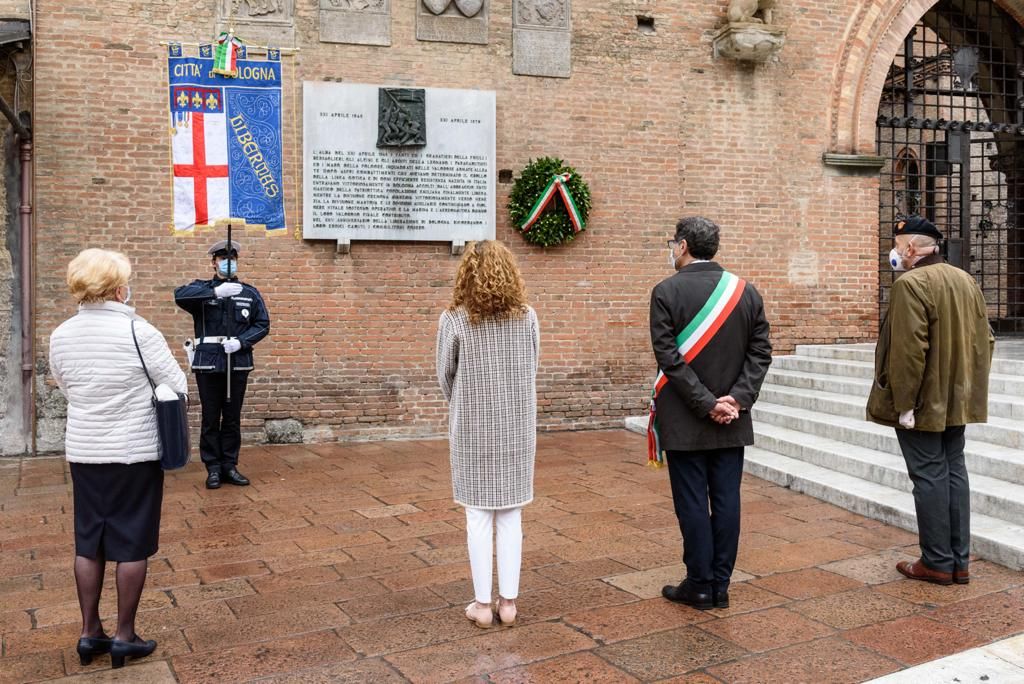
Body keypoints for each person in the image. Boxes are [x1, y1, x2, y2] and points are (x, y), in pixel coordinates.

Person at [49, 248, 187, 668]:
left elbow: (65, 386)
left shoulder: (61, 334)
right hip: (133, 452)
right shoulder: (138, 332)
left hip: (86, 451)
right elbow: (176, 383)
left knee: (88, 540)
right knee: (131, 543)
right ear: (117, 287)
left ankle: (90, 633)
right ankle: (125, 636)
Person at [649, 216, 772, 610]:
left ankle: (699, 585)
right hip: (731, 420)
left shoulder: (665, 291)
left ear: (683, 245)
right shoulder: (745, 292)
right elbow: (761, 353)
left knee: (691, 502)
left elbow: (669, 359)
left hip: (686, 419)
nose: (671, 249)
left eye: (672, 243)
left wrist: (707, 403)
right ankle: (721, 585)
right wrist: (736, 400)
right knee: (727, 500)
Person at [868, 216, 993, 586]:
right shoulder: (965, 280)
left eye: (897, 243)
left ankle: (937, 561)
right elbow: (985, 340)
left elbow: (909, 351)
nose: (895, 252)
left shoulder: (911, 283)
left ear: (910, 249)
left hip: (922, 402)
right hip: (956, 399)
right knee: (954, 472)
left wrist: (905, 404)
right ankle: (958, 560)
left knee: (929, 476)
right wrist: (970, 388)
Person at [436, 240, 539, 629]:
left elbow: (445, 375)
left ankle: (482, 604)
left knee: (477, 515)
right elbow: (532, 367)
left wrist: (464, 401)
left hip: (473, 424)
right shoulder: (527, 316)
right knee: (511, 513)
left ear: (467, 274)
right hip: (516, 423)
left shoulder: (455, 319)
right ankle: (508, 603)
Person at [174, 239, 270, 489]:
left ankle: (230, 465)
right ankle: (213, 468)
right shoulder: (201, 289)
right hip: (208, 363)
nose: (229, 262)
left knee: (231, 418)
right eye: (223, 258)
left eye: (233, 258)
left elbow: (262, 324)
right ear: (214, 262)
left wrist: (241, 342)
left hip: (237, 362)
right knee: (210, 417)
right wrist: (215, 292)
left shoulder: (249, 293)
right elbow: (179, 296)